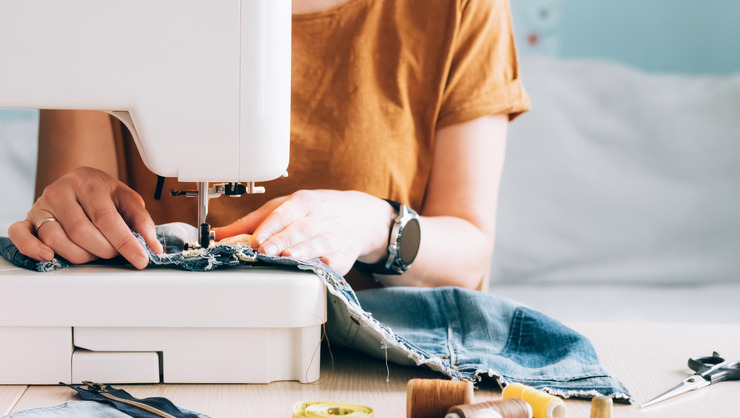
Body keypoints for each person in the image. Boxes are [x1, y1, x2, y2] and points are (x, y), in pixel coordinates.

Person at [8, 0, 529, 291]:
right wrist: (73, 207)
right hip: (162, 344)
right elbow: (80, 257)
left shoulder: (460, 8)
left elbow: (469, 251)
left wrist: (375, 225)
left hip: (379, 358)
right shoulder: (101, 10)